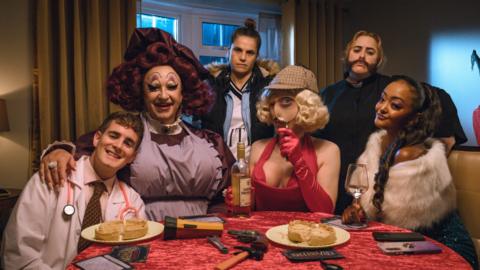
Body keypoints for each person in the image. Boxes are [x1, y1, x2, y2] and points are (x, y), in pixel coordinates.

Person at [39, 28, 235, 220]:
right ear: (141, 93)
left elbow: (229, 194)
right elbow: (82, 155)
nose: (163, 95)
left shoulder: (211, 142)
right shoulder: (125, 139)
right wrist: (59, 150)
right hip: (139, 236)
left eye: (172, 87)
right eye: (153, 87)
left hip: (203, 239)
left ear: (183, 94)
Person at [314, 30, 467, 214]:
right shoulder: (328, 94)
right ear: (347, 54)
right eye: (357, 49)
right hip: (337, 184)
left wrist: (446, 137)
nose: (362, 55)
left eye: (370, 52)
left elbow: (436, 96)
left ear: (378, 60)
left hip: (381, 187)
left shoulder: (390, 87)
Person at [357, 75, 478, 269]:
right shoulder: (377, 143)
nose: (381, 108)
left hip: (443, 248)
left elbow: (397, 222)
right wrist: (357, 211)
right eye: (382, 98)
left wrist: (364, 213)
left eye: (395, 105)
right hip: (403, 243)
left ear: (413, 118)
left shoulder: (407, 154)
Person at [2, 112, 146, 270]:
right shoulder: (50, 179)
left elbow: (134, 259)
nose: (118, 146)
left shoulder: (133, 202)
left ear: (133, 157)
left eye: (128, 143)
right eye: (113, 135)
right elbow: (18, 256)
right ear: (97, 138)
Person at [225, 65, 340, 213]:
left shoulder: (328, 151)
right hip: (261, 234)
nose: (275, 112)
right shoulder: (258, 147)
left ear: (307, 107)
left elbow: (325, 210)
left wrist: (299, 162)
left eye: (286, 102)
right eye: (272, 103)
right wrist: (237, 200)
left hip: (304, 234)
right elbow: (252, 206)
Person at [200, 18, 279, 159]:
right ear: (228, 50)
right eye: (238, 50)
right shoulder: (210, 86)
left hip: (259, 165)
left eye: (250, 53)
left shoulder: (270, 87)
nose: (243, 57)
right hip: (217, 164)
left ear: (257, 56)